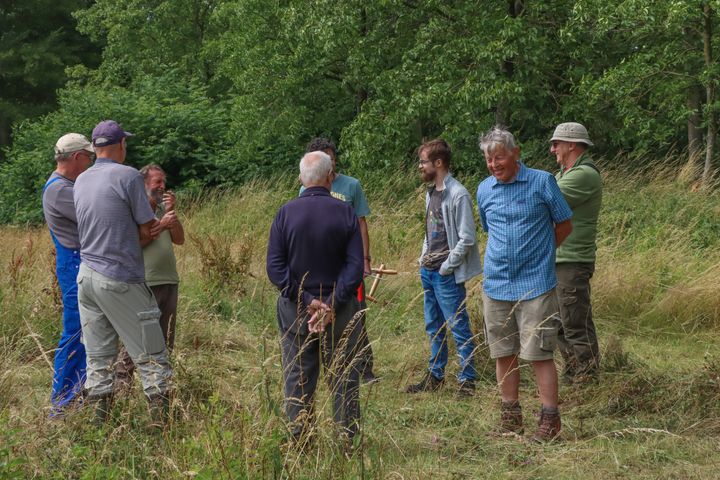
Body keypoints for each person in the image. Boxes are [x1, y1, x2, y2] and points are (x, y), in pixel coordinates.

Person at [476, 126, 573, 442]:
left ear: (516, 153)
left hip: (535, 284)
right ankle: (510, 418)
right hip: (496, 285)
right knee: (503, 352)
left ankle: (549, 421)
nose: (494, 165)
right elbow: (491, 230)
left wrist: (541, 254)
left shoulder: (542, 182)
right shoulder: (484, 190)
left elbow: (565, 224)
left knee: (539, 353)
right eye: (489, 160)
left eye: (499, 157)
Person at [73, 120, 172, 425]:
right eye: (125, 143)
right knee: (153, 356)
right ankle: (161, 432)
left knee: (99, 359)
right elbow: (147, 227)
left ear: (95, 147)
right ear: (119, 146)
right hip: (120, 276)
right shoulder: (128, 176)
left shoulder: (81, 180)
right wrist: (160, 222)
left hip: (86, 276)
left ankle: (98, 431)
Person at [267, 151, 364, 445]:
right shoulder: (346, 212)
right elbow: (355, 265)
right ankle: (348, 441)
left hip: (296, 310)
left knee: (297, 374)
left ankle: (299, 439)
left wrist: (306, 299)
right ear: (330, 176)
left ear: (301, 179)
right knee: (344, 375)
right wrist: (332, 302)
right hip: (341, 308)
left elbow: (275, 266)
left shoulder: (285, 213)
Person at [405, 138, 481, 396]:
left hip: (445, 274)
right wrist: (422, 258)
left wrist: (446, 267)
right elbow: (432, 231)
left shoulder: (458, 194)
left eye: (423, 162)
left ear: (438, 163)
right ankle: (435, 377)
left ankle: (467, 380)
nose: (420, 167)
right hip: (428, 271)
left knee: (457, 325)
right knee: (433, 325)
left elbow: (467, 238)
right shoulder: (431, 193)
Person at [300, 137, 378, 383]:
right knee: (320, 313)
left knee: (356, 313)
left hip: (349, 265)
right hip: (319, 269)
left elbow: (361, 224)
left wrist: (364, 259)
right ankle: (324, 365)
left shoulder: (351, 186)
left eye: (332, 158)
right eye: (325, 158)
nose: (330, 163)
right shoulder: (305, 189)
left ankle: (364, 367)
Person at [115, 163, 185, 391]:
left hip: (168, 281)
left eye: (163, 182)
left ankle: (161, 389)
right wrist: (161, 225)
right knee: (138, 338)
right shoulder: (134, 211)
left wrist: (168, 216)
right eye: (157, 182)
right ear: (144, 184)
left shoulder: (159, 212)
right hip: (145, 283)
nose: (162, 187)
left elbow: (179, 239)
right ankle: (122, 388)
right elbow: (133, 244)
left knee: (165, 340)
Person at [42, 133, 94, 414]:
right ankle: (62, 402)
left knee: (87, 331)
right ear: (76, 157)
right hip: (73, 262)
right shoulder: (59, 189)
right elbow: (94, 214)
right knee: (75, 332)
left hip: (78, 261)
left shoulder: (66, 185)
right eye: (89, 157)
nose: (90, 163)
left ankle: (79, 394)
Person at [549, 122, 602, 385]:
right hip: (561, 258)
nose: (552, 149)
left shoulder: (583, 175)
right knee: (561, 321)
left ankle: (587, 378)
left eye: (556, 143)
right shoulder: (564, 173)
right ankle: (574, 374)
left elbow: (545, 200)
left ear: (572, 144)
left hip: (572, 260)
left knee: (573, 323)